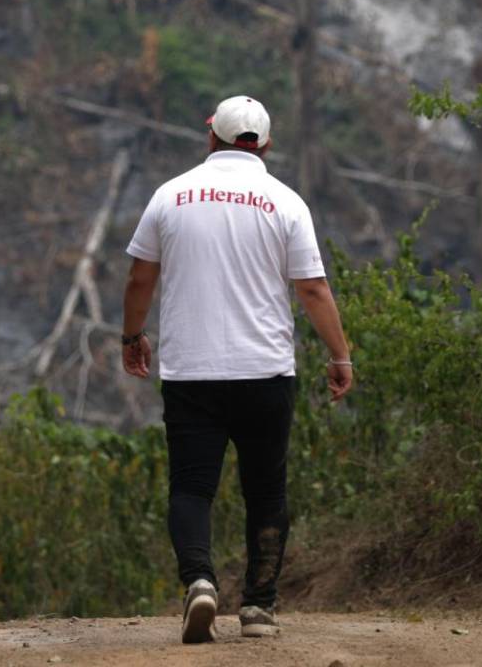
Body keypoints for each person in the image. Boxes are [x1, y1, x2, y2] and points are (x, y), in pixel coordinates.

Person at [119, 95, 354, 645]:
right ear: (266, 145)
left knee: (192, 487)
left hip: (191, 373)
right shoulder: (286, 202)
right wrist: (339, 354)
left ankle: (199, 582)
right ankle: (259, 607)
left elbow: (138, 280)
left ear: (211, 138)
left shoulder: (170, 196)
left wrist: (133, 336)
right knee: (266, 490)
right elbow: (313, 289)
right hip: (265, 372)